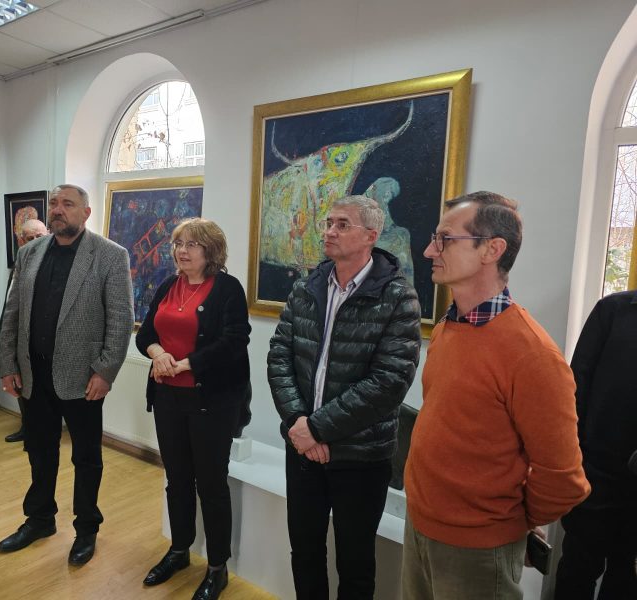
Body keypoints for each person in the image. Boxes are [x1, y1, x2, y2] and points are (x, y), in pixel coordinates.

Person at [402, 191, 590, 600]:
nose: (430, 250)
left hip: (478, 548)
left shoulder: (533, 355)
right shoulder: (449, 328)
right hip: (420, 526)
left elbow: (564, 480)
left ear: (492, 249)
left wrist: (511, 522)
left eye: (445, 239)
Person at [268, 195, 422, 599]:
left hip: (361, 455)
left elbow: (389, 382)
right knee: (305, 552)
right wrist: (297, 423)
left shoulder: (398, 296)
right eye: (328, 223)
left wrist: (317, 429)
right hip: (302, 448)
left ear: (371, 235)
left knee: (355, 563)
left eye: (342, 224)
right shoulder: (307, 287)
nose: (329, 232)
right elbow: (280, 354)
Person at [0, 184, 133, 567]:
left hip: (83, 377)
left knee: (86, 458)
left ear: (85, 213)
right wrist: (8, 364)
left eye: (68, 204)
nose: (58, 210)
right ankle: (39, 519)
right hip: (33, 374)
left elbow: (121, 320)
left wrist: (105, 372)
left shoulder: (110, 255)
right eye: (54, 203)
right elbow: (12, 313)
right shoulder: (30, 252)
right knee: (39, 452)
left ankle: (86, 529)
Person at [136, 218, 251, 600]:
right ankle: (179, 550)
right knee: (177, 479)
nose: (181, 251)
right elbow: (146, 333)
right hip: (168, 398)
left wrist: (187, 364)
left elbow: (235, 340)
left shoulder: (227, 289)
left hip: (211, 402)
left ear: (211, 250)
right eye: (178, 243)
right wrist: (158, 354)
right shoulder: (169, 285)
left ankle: (217, 567)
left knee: (211, 484)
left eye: (191, 244)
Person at [554, 290, 637, 599]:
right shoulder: (613, 311)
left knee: (625, 580)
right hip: (596, 476)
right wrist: (576, 464)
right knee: (576, 572)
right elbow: (574, 391)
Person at [1, 218, 49, 444]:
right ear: (21, 241)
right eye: (30, 238)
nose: (36, 241)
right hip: (19, 336)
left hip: (43, 343)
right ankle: (27, 427)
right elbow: (11, 306)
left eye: (40, 236)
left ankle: (36, 429)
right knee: (22, 385)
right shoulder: (22, 260)